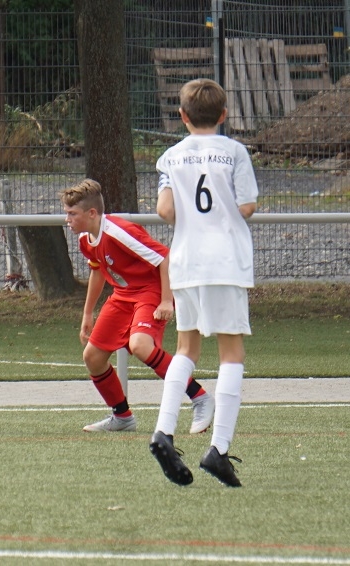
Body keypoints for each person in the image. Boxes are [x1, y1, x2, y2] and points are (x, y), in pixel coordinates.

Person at [149, 78, 258, 487]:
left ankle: (163, 431)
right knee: (231, 352)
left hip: (185, 260)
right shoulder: (235, 152)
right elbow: (246, 205)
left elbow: (165, 209)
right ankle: (219, 449)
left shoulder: (171, 156)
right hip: (224, 261)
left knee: (186, 348)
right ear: (223, 115)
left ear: (182, 116)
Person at [61, 179, 214, 434]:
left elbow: (164, 258)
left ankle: (200, 397)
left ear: (92, 213)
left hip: (150, 291)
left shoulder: (118, 232)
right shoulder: (86, 239)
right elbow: (97, 272)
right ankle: (122, 417)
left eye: (72, 214)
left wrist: (166, 300)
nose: (67, 219)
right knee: (92, 357)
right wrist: (87, 313)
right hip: (123, 295)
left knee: (140, 345)